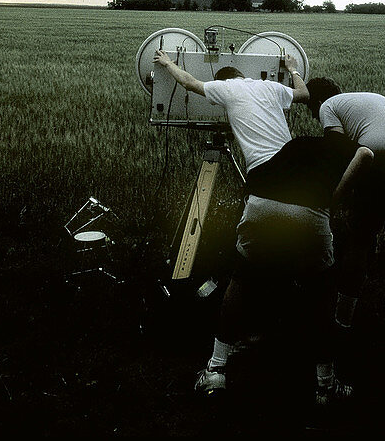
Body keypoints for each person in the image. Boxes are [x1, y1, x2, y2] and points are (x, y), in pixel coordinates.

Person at [152, 49, 371, 404]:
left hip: (264, 188)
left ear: (224, 80)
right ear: (244, 74)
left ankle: (216, 369)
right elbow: (302, 95)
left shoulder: (226, 89)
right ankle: (325, 385)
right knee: (318, 294)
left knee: (243, 277)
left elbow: (190, 83)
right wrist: (293, 69)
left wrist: (167, 64)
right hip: (302, 187)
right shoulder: (270, 89)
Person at [305, 78, 385, 329]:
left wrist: (332, 197)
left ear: (316, 101)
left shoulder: (327, 106)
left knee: (360, 239)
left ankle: (342, 320)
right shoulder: (364, 98)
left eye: (311, 110)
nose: (314, 117)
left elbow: (337, 152)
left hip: (382, 161)